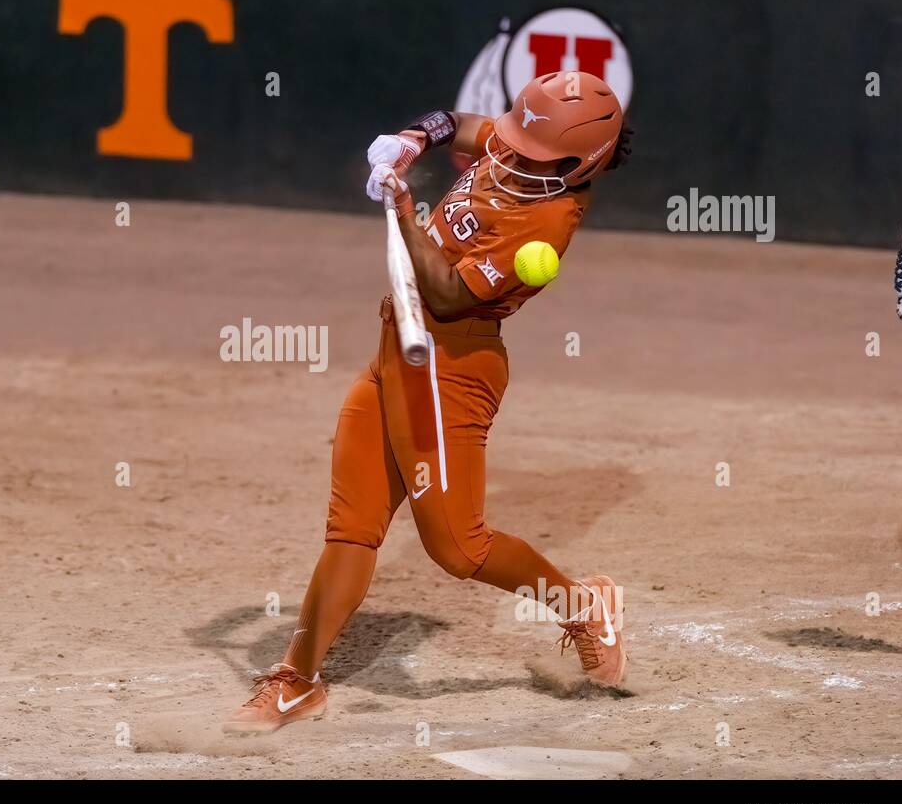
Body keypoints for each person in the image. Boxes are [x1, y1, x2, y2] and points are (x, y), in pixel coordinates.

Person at [226, 71, 633, 734]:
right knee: (352, 529)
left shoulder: (547, 225)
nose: (507, 157)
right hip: (398, 350)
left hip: (452, 367)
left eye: (530, 157)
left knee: (459, 549)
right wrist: (411, 141)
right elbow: (456, 122)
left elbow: (444, 294)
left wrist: (405, 209)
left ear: (575, 163)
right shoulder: (518, 143)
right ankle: (296, 680)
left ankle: (581, 604)